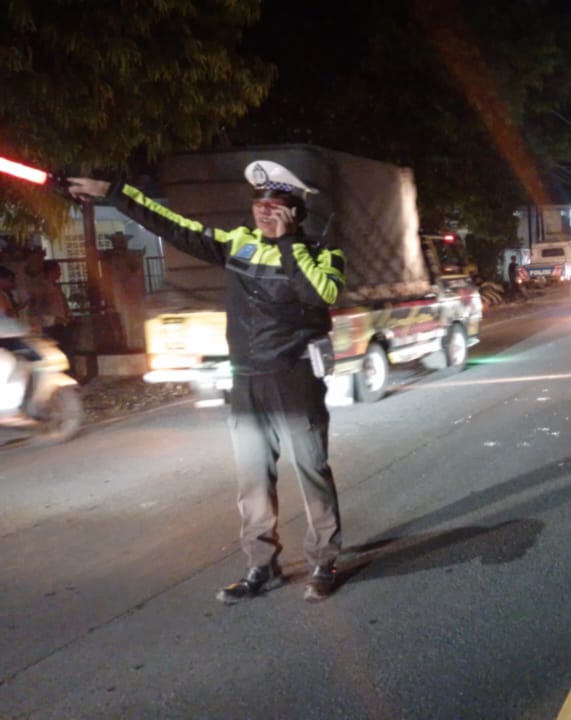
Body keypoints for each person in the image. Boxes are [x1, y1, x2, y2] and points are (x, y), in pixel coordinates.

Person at [66, 161, 347, 604]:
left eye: (275, 204)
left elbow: (320, 295)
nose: (263, 211)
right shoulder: (237, 244)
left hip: (294, 380)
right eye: (259, 202)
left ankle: (324, 561)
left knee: (312, 471)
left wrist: (289, 242)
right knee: (252, 482)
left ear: (295, 211)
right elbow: (173, 226)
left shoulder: (321, 254)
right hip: (247, 382)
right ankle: (261, 566)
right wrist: (114, 192)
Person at [27, 260, 72, 352]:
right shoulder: (41, 288)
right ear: (51, 271)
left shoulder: (55, 288)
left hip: (61, 326)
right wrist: (55, 319)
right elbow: (36, 312)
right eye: (58, 270)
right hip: (50, 328)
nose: (60, 273)